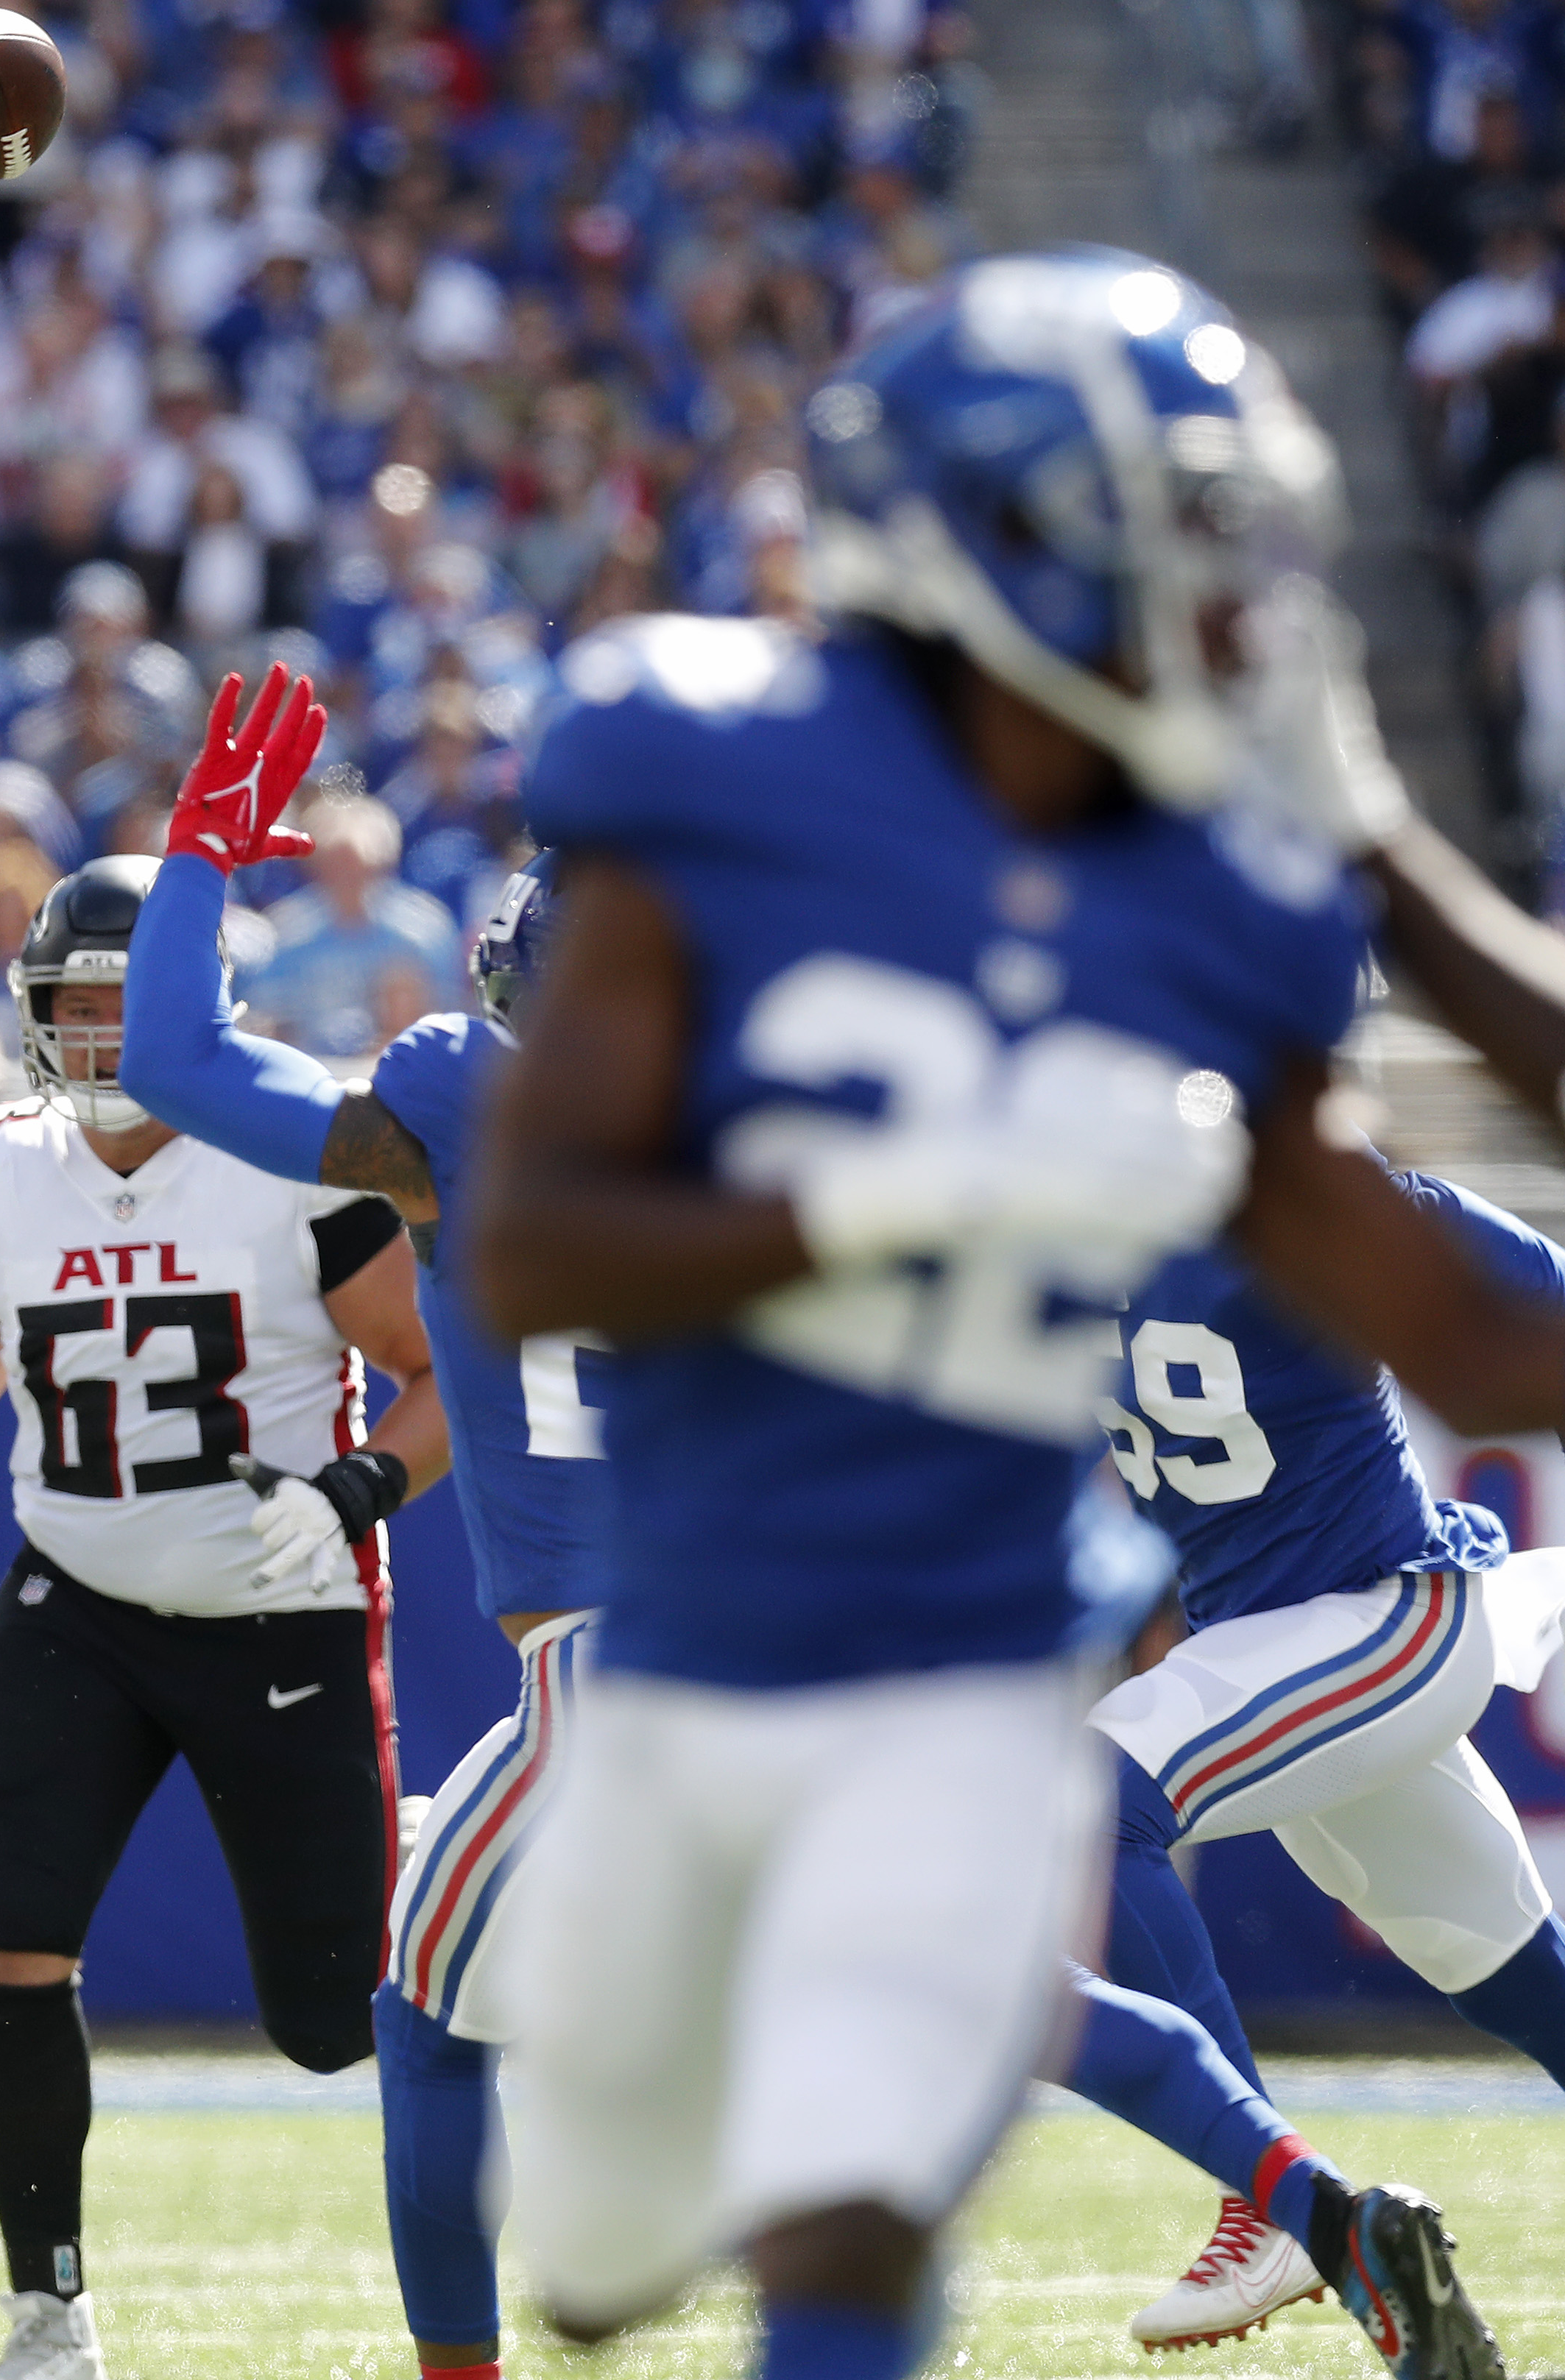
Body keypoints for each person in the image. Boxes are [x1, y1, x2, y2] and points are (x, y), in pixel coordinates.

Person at [126, 255, 1546, 2380]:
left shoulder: (1205, 891)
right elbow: (561, 1247)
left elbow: (1464, 1336)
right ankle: (1261, 2193)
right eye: (1145, 527)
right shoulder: (701, 773)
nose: (1212, 589)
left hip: (946, 1648)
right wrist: (908, 1196)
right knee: (607, 2221)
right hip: (697, 1638)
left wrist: (1381, 849)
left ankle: (1290, 2209)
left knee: (855, 2193)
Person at [0, 854, 442, 2380]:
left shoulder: (302, 1146)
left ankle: (426, 1850)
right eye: (74, 1012)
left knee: (329, 2024)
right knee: (15, 1941)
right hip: (79, 1602)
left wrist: (360, 1488)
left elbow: (447, 1384)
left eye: (128, 1009)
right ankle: (49, 2311)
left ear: (199, 1012)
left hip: (282, 1604)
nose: (100, 1045)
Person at [1089, 1168, 1565, 2345]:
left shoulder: (1310, 1190)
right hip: (1279, 1652)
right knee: (1517, 1977)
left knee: (1091, 1803)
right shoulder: (1030, 1201)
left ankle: (1274, 2203)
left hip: (1385, 1618)